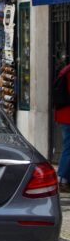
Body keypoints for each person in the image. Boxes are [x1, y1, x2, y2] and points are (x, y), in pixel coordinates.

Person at [54, 59, 70, 194]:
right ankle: (62, 179)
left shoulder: (65, 70)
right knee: (68, 147)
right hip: (67, 115)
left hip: (64, 115)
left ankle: (64, 179)